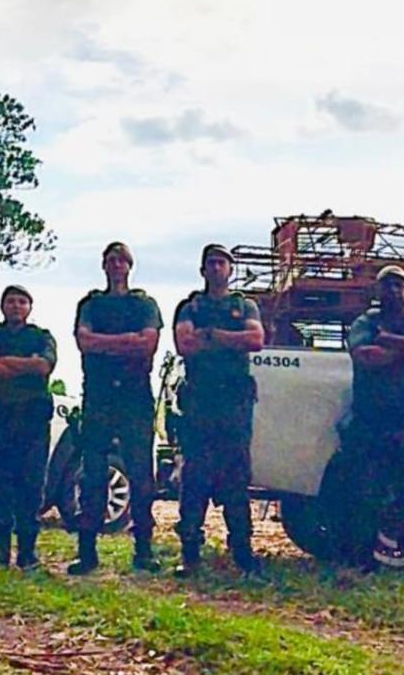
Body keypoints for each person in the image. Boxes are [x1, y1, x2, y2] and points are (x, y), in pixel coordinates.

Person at [68, 242, 163, 575]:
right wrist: (127, 342)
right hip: (98, 397)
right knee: (93, 474)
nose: (116, 265)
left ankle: (144, 550)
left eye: (121, 260)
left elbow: (148, 343)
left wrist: (105, 344)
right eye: (111, 260)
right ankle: (87, 552)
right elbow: (84, 341)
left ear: (130, 265)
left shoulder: (144, 304)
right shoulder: (91, 304)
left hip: (135, 399)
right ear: (104, 266)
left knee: (140, 475)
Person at [171, 244, 266, 577]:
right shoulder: (190, 306)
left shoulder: (245, 305)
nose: (216, 268)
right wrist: (230, 338)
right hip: (200, 402)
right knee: (194, 478)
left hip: (234, 404)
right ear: (202, 270)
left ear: (231, 269)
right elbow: (184, 343)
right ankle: (190, 554)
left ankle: (242, 553)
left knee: (237, 478)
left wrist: (210, 335)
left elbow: (255, 339)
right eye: (210, 263)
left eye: (222, 263)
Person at [344, 265, 404, 569]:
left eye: (399, 285)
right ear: (378, 290)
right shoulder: (366, 322)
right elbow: (363, 355)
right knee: (366, 492)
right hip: (372, 422)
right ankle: (364, 561)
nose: (393, 291)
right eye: (387, 285)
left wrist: (390, 342)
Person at [0, 285, 57, 569]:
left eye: (22, 301)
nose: (16, 306)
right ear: (2, 305)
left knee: (31, 489)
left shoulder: (42, 337)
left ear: (30, 307)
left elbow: (44, 366)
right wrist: (26, 364)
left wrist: (7, 363)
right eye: (11, 301)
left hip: (32, 425)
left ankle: (27, 554)